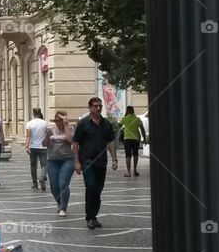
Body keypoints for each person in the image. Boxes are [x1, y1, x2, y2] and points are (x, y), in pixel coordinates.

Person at [72, 97, 118, 229]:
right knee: (91, 187)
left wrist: (114, 159)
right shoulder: (83, 124)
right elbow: (75, 143)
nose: (98, 108)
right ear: (90, 108)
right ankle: (90, 217)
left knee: (98, 190)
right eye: (95, 106)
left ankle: (94, 215)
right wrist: (76, 162)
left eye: (100, 106)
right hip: (87, 161)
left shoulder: (106, 124)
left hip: (101, 162)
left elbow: (110, 142)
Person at [45, 110, 75, 217]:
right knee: (54, 185)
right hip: (52, 160)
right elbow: (45, 144)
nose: (58, 123)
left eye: (60, 120)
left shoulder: (71, 129)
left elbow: (70, 141)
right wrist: (47, 136)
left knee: (63, 184)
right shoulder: (51, 129)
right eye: (56, 120)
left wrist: (66, 125)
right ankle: (59, 202)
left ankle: (63, 207)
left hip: (67, 160)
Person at [119, 105, 147, 176]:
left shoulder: (124, 119)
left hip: (127, 139)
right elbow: (142, 129)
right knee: (135, 154)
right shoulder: (137, 119)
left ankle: (128, 172)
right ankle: (135, 170)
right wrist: (144, 139)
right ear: (133, 110)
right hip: (136, 139)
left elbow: (118, 126)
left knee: (128, 156)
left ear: (127, 111)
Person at [25, 108, 48, 191]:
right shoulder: (45, 123)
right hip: (43, 147)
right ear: (40, 113)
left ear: (33, 113)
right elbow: (47, 135)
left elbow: (28, 136)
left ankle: (35, 184)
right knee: (44, 165)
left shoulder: (29, 124)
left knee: (33, 166)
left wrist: (27, 146)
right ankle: (42, 177)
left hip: (33, 147)